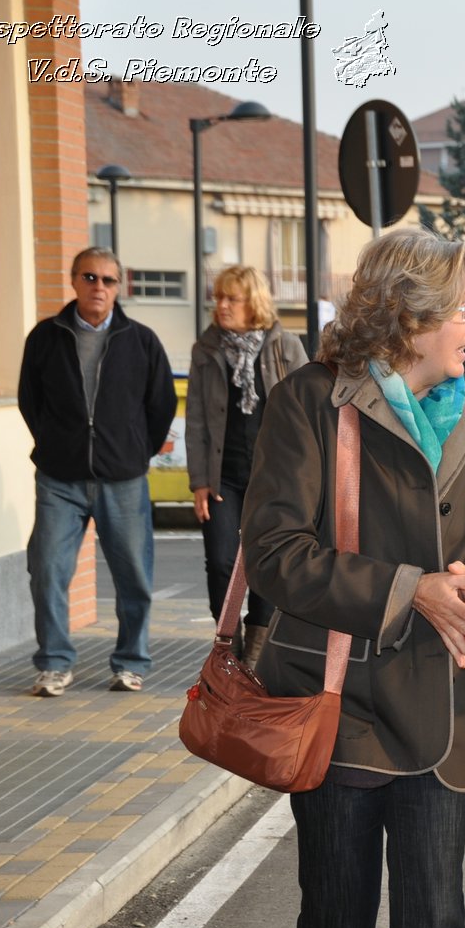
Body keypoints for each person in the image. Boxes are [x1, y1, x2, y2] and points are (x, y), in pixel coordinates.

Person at [241, 227, 465, 928]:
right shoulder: (309, 401)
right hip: (342, 714)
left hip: (447, 716)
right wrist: (413, 591)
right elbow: (275, 554)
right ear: (412, 313)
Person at [17, 246, 175, 696]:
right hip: (58, 478)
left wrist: (134, 452)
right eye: (89, 278)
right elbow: (31, 401)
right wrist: (54, 443)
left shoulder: (141, 340)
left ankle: (130, 662)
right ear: (73, 282)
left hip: (122, 479)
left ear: (119, 287)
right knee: (47, 568)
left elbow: (160, 403)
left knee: (134, 577)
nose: (98, 288)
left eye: (108, 280)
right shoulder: (46, 337)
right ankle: (54, 663)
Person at [185, 265, 309, 667]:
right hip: (224, 476)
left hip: (273, 477)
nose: (221, 305)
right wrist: (199, 482)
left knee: (266, 558)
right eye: (218, 297)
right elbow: (197, 420)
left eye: (231, 298)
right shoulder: (206, 350)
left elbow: (310, 412)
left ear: (252, 301)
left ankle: (256, 649)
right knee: (220, 560)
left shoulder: (285, 346)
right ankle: (228, 642)